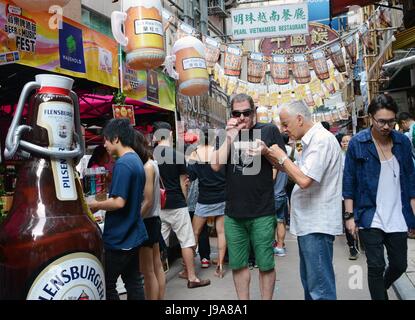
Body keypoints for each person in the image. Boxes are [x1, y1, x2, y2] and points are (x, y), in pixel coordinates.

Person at [262, 100, 343, 300]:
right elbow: (296, 170)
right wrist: (269, 154)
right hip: (310, 223)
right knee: (311, 284)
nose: (283, 129)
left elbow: (304, 179)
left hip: (317, 224)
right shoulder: (310, 142)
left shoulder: (321, 140)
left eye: (285, 124)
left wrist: (282, 157)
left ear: (299, 119)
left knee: (319, 289)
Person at [211, 93, 286, 300]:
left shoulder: (269, 130)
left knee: (266, 264)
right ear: (232, 114)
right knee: (238, 264)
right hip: (234, 213)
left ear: (254, 112)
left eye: (246, 112)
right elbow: (215, 165)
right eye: (237, 113)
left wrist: (266, 153)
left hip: (262, 211)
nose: (242, 117)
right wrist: (230, 137)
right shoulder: (225, 134)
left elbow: (283, 165)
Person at [343, 94, 415, 300]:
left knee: (400, 264)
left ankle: (378, 290)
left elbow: (411, 183)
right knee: (376, 265)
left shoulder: (402, 142)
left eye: (391, 121)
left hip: (398, 215)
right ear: (370, 118)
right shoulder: (358, 143)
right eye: (381, 121)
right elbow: (349, 181)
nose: (386, 126)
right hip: (369, 214)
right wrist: (349, 216)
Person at [88, 118, 148, 300]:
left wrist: (95, 205)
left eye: (105, 139)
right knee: (133, 281)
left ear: (116, 139)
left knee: (106, 284)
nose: (104, 144)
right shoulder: (136, 159)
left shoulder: (123, 163)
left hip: (120, 237)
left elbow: (119, 202)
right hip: (133, 233)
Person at [153, 121, 210, 289]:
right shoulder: (176, 155)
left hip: (159, 206)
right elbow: (184, 183)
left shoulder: (150, 156)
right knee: (186, 241)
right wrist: (184, 200)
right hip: (177, 204)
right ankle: (191, 277)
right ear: (170, 134)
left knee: (159, 243)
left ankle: (155, 277)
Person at [187, 126, 227, 278]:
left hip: (204, 199)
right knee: (221, 232)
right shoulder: (220, 154)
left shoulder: (196, 154)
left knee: (194, 232)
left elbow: (191, 177)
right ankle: (220, 266)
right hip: (223, 197)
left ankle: (189, 269)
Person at [133, 130, 166, 300]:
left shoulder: (147, 167)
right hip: (154, 219)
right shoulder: (153, 163)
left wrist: (134, 219)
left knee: (148, 270)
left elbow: (147, 201)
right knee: (157, 265)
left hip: (147, 220)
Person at [337, 133, 359, 260]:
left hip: (359, 194)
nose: (346, 143)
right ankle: (352, 246)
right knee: (348, 219)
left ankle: (363, 242)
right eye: (344, 141)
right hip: (343, 195)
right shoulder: (338, 157)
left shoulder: (359, 155)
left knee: (359, 219)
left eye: (348, 141)